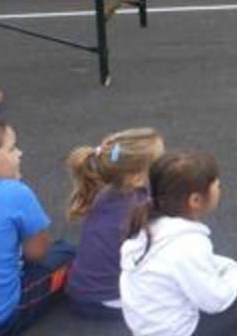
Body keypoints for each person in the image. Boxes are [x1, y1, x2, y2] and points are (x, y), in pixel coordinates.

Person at [119, 151, 237, 336]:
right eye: (217, 186)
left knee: (212, 283)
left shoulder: (149, 224)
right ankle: (223, 332)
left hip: (149, 334)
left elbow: (189, 268)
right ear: (195, 199)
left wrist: (223, 269)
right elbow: (217, 302)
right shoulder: (188, 244)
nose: (220, 189)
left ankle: (227, 329)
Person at [64, 128, 165, 319]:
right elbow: (155, 257)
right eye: (160, 162)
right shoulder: (136, 212)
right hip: (106, 300)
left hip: (81, 290)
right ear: (136, 177)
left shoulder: (108, 192)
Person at [0, 120, 75, 336]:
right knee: (67, 253)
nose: (19, 153)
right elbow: (36, 254)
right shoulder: (15, 193)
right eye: (11, 149)